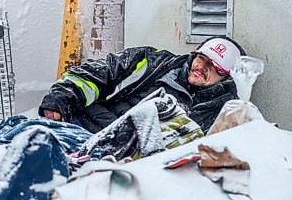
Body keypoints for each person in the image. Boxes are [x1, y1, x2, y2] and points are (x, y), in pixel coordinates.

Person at [39, 36, 246, 134]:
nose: (201, 66)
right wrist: (64, 95)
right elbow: (104, 70)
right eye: (201, 58)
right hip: (83, 127)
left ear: (227, 78)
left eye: (213, 66)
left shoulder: (225, 113)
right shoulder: (156, 63)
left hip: (126, 165)